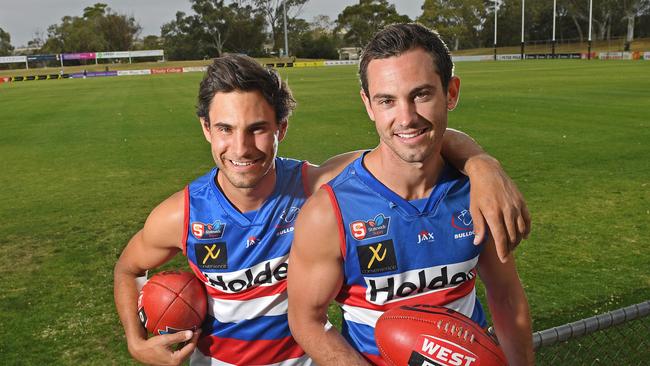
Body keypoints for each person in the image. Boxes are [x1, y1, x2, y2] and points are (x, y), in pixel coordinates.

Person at [114, 53, 530, 366]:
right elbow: (128, 269)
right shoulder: (181, 215)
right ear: (207, 130)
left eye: (258, 128)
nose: (241, 148)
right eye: (225, 129)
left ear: (281, 129)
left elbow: (410, 140)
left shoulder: (315, 186)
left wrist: (481, 163)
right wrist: (135, 340)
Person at [287, 23, 534, 365]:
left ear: (451, 93)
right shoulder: (329, 212)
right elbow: (306, 319)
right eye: (387, 100)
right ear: (369, 105)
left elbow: (506, 296)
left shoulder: (478, 193)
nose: (406, 118)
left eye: (421, 94)